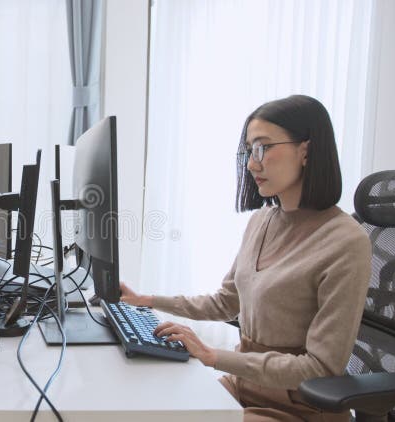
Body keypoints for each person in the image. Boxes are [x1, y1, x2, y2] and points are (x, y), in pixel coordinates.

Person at [121, 95, 372, 421]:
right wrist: (147, 300)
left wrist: (213, 355)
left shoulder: (345, 241)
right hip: (244, 386)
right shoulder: (263, 220)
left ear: (306, 151)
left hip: (300, 407)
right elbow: (225, 302)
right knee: (148, 406)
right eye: (249, 151)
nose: (252, 163)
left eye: (263, 148)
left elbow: (320, 367)